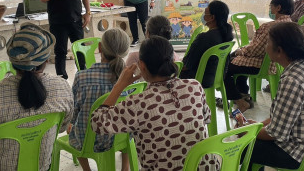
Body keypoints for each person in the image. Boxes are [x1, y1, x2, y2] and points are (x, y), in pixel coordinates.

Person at [91, 36, 217, 170]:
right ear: (173, 60)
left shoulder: (139, 103)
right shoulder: (194, 86)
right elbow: (206, 118)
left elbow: (97, 122)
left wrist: (119, 85)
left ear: (142, 66)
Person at [0, 23, 73, 171]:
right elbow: (62, 127)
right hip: (41, 167)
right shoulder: (62, 87)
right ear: (46, 60)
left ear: (12, 61)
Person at [241, 22, 304, 170]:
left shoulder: (292, 80)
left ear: (279, 51)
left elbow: (276, 134)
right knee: (252, 140)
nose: (265, 48)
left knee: (243, 146)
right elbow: (283, 117)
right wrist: (258, 126)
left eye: (267, 43)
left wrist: (247, 131)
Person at [68, 28, 131, 171]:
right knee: (129, 125)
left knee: (72, 129)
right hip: (119, 137)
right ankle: (125, 167)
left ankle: (87, 169)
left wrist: (71, 123)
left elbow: (74, 110)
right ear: (126, 51)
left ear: (100, 48)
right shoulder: (131, 78)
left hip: (87, 141)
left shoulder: (82, 77)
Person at [223, 0, 294, 112]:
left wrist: (241, 51)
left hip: (262, 64)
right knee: (238, 63)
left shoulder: (271, 27)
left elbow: (256, 50)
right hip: (276, 64)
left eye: (271, 6)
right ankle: (244, 95)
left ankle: (239, 100)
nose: (270, 9)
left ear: (278, 8)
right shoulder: (291, 24)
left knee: (225, 68)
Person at [180, 0, 234, 89]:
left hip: (197, 79)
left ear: (212, 17)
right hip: (217, 77)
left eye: (205, 14)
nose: (203, 16)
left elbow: (185, 66)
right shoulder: (227, 36)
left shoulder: (204, 38)